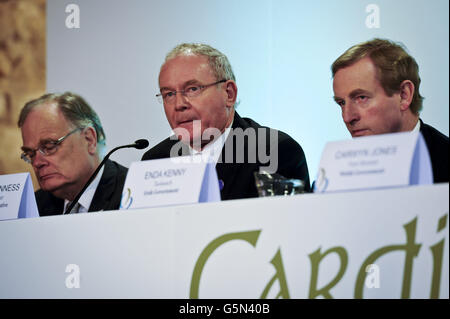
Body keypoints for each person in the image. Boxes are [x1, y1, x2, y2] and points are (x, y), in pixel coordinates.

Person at [142, 43, 311, 199]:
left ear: (229, 94)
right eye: (169, 94)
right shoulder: (155, 161)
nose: (179, 104)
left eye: (192, 89)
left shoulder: (274, 151)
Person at [332, 38, 449, 183]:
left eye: (361, 97)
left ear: (404, 95)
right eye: (341, 103)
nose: (347, 117)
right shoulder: (334, 175)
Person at [18, 92, 128, 216]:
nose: (37, 162)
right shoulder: (34, 208)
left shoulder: (131, 194)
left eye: (49, 146)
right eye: (30, 153)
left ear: (89, 140)